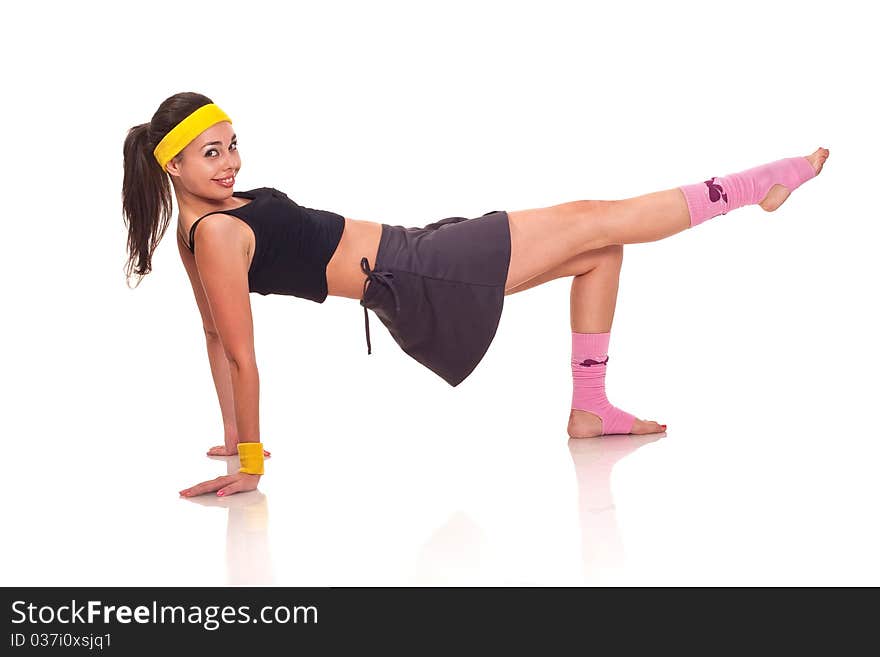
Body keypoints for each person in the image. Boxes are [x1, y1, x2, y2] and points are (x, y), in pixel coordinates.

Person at [121, 92, 828, 498]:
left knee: (599, 247)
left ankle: (591, 408)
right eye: (212, 152)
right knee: (597, 215)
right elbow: (234, 348)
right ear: (173, 164)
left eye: (233, 143)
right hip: (418, 270)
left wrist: (233, 436)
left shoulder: (204, 225)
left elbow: (215, 338)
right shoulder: (211, 235)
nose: (232, 160)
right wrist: (249, 458)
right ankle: (763, 182)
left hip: (416, 251)